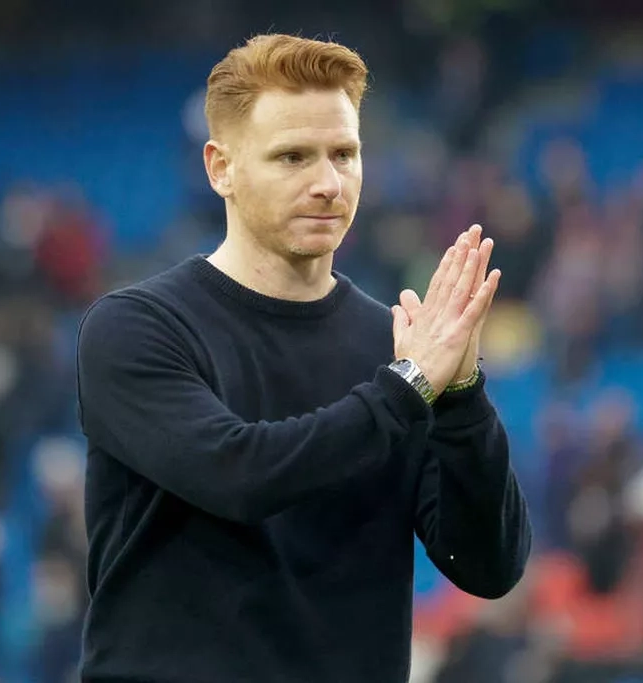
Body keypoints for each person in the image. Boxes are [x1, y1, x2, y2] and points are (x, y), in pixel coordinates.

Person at [74, 33, 532, 683]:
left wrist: (461, 398)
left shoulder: (396, 348)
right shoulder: (136, 328)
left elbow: (488, 567)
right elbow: (239, 476)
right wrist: (410, 387)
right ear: (221, 168)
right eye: (292, 157)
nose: (327, 183)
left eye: (344, 154)